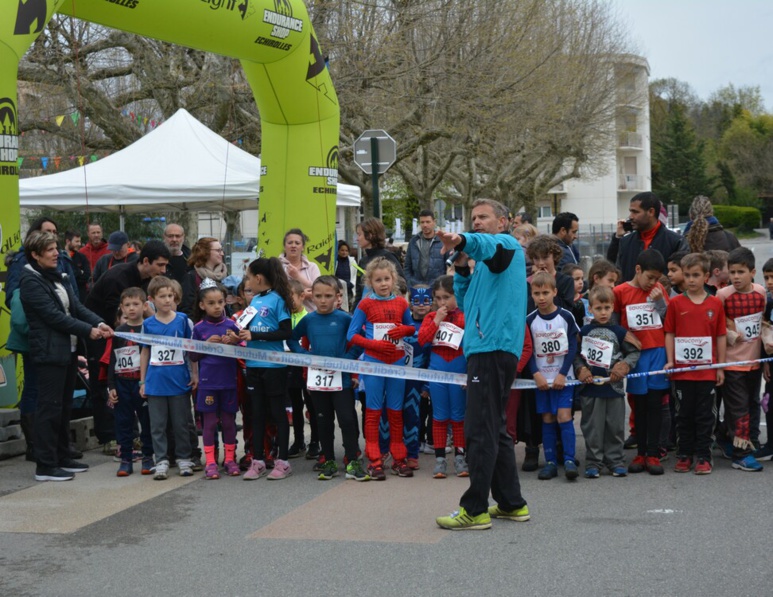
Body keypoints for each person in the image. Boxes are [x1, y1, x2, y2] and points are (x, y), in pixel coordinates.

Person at [435, 198, 529, 531]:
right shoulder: (487, 264)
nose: (476, 221)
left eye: (483, 217)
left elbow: (486, 244)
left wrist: (462, 240)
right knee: (495, 429)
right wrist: (462, 268)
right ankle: (512, 503)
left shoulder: (506, 245)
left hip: (492, 349)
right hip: (486, 349)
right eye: (473, 218)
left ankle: (474, 509)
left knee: (477, 429)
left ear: (502, 222)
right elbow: (466, 300)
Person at [20, 230, 113, 481]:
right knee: (49, 408)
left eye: (56, 248)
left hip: (68, 350)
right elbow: (54, 317)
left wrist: (99, 323)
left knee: (63, 407)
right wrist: (88, 331)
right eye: (50, 250)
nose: (56, 254)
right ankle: (45, 464)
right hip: (49, 352)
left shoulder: (58, 276)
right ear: (35, 255)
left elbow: (77, 307)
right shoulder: (30, 281)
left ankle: (62, 456)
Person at [85, 240, 171, 452]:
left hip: (125, 339)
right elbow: (115, 317)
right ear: (145, 261)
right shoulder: (119, 277)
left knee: (131, 384)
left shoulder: (143, 280)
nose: (164, 270)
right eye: (160, 265)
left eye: (165, 265)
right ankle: (110, 438)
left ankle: (131, 435)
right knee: (105, 384)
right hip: (102, 337)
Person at [288, 276, 370, 481]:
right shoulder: (309, 319)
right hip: (318, 379)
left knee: (347, 419)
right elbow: (292, 338)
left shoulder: (344, 318)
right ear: (312, 297)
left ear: (337, 296)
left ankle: (353, 460)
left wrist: (348, 359)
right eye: (318, 296)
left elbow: (360, 339)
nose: (323, 300)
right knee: (323, 420)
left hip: (342, 380)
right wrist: (305, 356)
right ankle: (329, 460)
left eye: (328, 296)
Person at [346, 257, 415, 480]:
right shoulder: (365, 304)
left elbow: (411, 327)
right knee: (373, 412)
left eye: (386, 279)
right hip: (374, 363)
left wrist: (404, 331)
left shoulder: (401, 303)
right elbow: (352, 335)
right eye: (378, 280)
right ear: (370, 282)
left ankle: (398, 458)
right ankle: (374, 459)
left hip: (396, 363)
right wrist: (374, 345)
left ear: (393, 279)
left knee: (395, 412)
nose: (383, 283)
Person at [229, 257, 294, 481]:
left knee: (277, 413)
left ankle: (283, 461)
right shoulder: (255, 301)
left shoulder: (278, 300)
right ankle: (257, 461)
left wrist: (255, 335)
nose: (247, 281)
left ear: (258, 278)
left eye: (248, 277)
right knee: (256, 414)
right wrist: (233, 336)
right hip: (253, 365)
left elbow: (286, 332)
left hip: (274, 366)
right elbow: (242, 328)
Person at [664, 253, 727, 475]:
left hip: (707, 373)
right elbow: (670, 333)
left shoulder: (715, 303)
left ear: (706, 276)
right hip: (682, 373)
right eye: (687, 275)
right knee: (683, 415)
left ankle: (703, 456)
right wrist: (670, 360)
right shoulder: (675, 303)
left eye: (696, 275)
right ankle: (684, 455)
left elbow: (720, 336)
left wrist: (720, 367)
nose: (691, 280)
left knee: (705, 416)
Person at [613, 249, 670, 476]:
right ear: (638, 270)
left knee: (656, 403)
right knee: (639, 404)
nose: (653, 282)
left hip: (657, 352)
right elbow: (614, 324)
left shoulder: (659, 290)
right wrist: (624, 337)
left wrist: (659, 302)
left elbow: (668, 320)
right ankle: (641, 452)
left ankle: (653, 453)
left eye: (657, 278)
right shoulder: (620, 292)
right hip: (636, 355)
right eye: (650, 277)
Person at [575, 285, 640, 478]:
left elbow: (635, 351)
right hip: (590, 389)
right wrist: (580, 369)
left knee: (615, 427)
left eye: (606, 308)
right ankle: (593, 462)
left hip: (614, 389)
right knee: (592, 428)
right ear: (590, 309)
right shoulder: (583, 332)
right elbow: (575, 355)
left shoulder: (620, 332)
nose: (603, 312)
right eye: (598, 308)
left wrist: (624, 365)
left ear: (612, 307)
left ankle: (615, 461)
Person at [140, 276, 198, 480]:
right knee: (157, 425)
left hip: (179, 381)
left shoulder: (183, 320)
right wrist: (142, 381)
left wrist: (195, 374)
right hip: (156, 383)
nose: (167, 300)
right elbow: (145, 352)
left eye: (170, 296)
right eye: (162, 296)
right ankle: (161, 460)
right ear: (151, 300)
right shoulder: (148, 324)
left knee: (181, 423)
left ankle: (184, 458)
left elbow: (192, 349)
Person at [716, 247, 766, 472]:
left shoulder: (761, 293)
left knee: (752, 403)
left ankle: (737, 438)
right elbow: (716, 326)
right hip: (731, 362)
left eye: (741, 272)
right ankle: (741, 454)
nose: (735, 277)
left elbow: (763, 324)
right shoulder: (722, 296)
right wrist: (730, 334)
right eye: (732, 272)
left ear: (752, 272)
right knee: (739, 408)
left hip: (754, 361)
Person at [527, 271, 580, 481]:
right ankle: (549, 462)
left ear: (555, 292)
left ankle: (569, 459)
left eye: (545, 293)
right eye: (536, 293)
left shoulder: (565, 317)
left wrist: (562, 374)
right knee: (547, 418)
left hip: (563, 379)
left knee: (564, 416)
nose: (541, 297)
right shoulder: (530, 320)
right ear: (531, 294)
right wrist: (536, 374)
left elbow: (573, 346)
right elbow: (528, 350)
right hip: (542, 380)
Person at [189, 281, 242, 479]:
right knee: (209, 424)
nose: (217, 306)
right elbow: (193, 356)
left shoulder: (232, 325)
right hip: (208, 384)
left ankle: (229, 459)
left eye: (220, 302)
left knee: (228, 422)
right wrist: (205, 345)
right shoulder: (199, 328)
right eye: (211, 303)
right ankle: (210, 461)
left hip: (229, 382)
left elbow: (244, 350)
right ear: (202, 305)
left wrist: (235, 342)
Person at [417, 275, 468, 479]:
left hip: (458, 370)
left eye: (446, 297)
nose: (441, 302)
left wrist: (469, 373)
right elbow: (422, 340)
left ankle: (460, 457)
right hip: (437, 371)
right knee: (439, 416)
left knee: (458, 416)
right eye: (437, 298)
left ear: (456, 295)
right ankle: (440, 459)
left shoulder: (465, 315)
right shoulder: (431, 317)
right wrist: (436, 320)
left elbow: (473, 345)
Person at [107, 288, 154, 477]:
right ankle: (126, 459)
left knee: (146, 421)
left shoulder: (148, 328)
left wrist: (148, 381)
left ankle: (148, 457)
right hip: (122, 383)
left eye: (136, 304)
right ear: (121, 308)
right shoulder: (119, 331)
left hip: (141, 383)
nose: (132, 308)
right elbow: (112, 359)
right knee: (123, 422)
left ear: (145, 306)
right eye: (127, 305)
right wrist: (111, 386)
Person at [607, 192, 688, 282]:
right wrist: (617, 238)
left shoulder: (676, 242)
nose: (630, 217)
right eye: (630, 212)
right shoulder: (625, 242)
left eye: (635, 212)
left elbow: (684, 276)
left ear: (651, 212)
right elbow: (613, 270)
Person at [286, 279, 320, 460]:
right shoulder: (282, 318)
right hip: (288, 367)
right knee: (295, 405)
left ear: (301, 296)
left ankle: (315, 441)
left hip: (307, 367)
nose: (288, 301)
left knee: (311, 405)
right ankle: (298, 441)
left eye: (290, 296)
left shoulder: (309, 318)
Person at [354, 217, 405, 306]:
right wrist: (354, 311)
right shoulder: (363, 261)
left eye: (359, 235)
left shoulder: (387, 256)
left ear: (370, 235)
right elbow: (359, 292)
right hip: (365, 309)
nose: (357, 239)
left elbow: (402, 285)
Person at [181, 237, 227, 316]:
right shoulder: (191, 276)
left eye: (222, 250)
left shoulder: (224, 273)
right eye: (218, 250)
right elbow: (188, 307)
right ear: (205, 252)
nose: (222, 254)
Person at [279, 228, 321, 312]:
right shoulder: (277, 266)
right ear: (284, 246)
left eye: (297, 243)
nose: (293, 245)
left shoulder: (312, 267)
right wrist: (302, 295)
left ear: (303, 247)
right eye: (290, 243)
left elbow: (319, 291)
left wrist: (297, 276)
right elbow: (274, 293)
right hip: (284, 314)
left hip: (310, 314)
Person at [404, 210, 446, 288]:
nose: (425, 225)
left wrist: (443, 286)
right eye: (422, 222)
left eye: (428, 222)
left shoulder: (443, 241)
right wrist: (410, 283)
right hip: (416, 287)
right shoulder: (413, 241)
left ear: (434, 222)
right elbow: (407, 266)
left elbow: (448, 267)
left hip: (437, 287)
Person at [65, 229, 90, 299]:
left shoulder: (82, 257)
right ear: (68, 241)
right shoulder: (60, 257)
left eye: (80, 241)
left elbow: (87, 275)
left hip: (81, 296)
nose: (79, 244)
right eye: (76, 241)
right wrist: (79, 272)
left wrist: (74, 275)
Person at [335, 240, 358, 311]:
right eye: (342, 250)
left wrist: (352, 284)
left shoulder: (352, 261)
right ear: (338, 251)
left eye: (346, 250)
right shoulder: (335, 261)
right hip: (337, 289)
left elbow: (355, 274)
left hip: (349, 289)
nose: (344, 252)